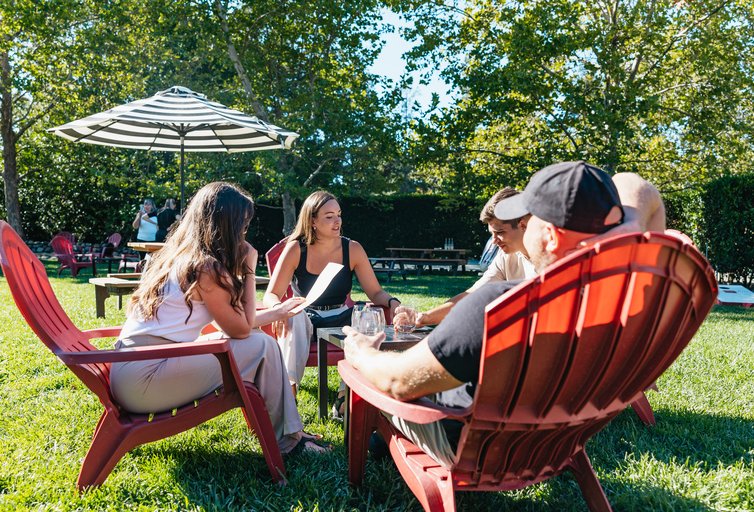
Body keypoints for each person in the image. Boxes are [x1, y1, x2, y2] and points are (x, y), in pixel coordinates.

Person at [343, 162, 666, 468]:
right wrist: (629, 228)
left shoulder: (500, 304)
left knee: (363, 372)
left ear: (549, 235)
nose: (523, 226)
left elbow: (397, 381)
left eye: (529, 220)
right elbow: (639, 186)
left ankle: (372, 437)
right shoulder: (625, 293)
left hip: (473, 444)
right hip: (560, 438)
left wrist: (361, 352)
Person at [110, 182, 329, 455]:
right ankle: (289, 442)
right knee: (261, 346)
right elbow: (238, 329)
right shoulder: (206, 268)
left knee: (259, 341)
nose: (245, 233)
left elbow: (228, 320)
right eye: (243, 225)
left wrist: (277, 312)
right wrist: (249, 267)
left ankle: (289, 433)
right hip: (145, 379)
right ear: (227, 225)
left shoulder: (181, 257)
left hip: (136, 368)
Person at [263, 190, 401, 404]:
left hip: (342, 317)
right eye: (329, 216)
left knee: (368, 320)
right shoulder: (296, 249)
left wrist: (392, 302)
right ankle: (287, 399)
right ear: (312, 221)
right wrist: (279, 310)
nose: (337, 221)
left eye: (338, 214)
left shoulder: (352, 249)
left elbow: (375, 292)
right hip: (306, 318)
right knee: (294, 316)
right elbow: (271, 294)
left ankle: (346, 399)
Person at [414, 187, 537, 328]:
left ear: (523, 225)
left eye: (500, 232)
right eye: (492, 233)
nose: (494, 241)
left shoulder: (552, 256)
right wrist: (425, 318)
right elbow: (473, 295)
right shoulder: (505, 257)